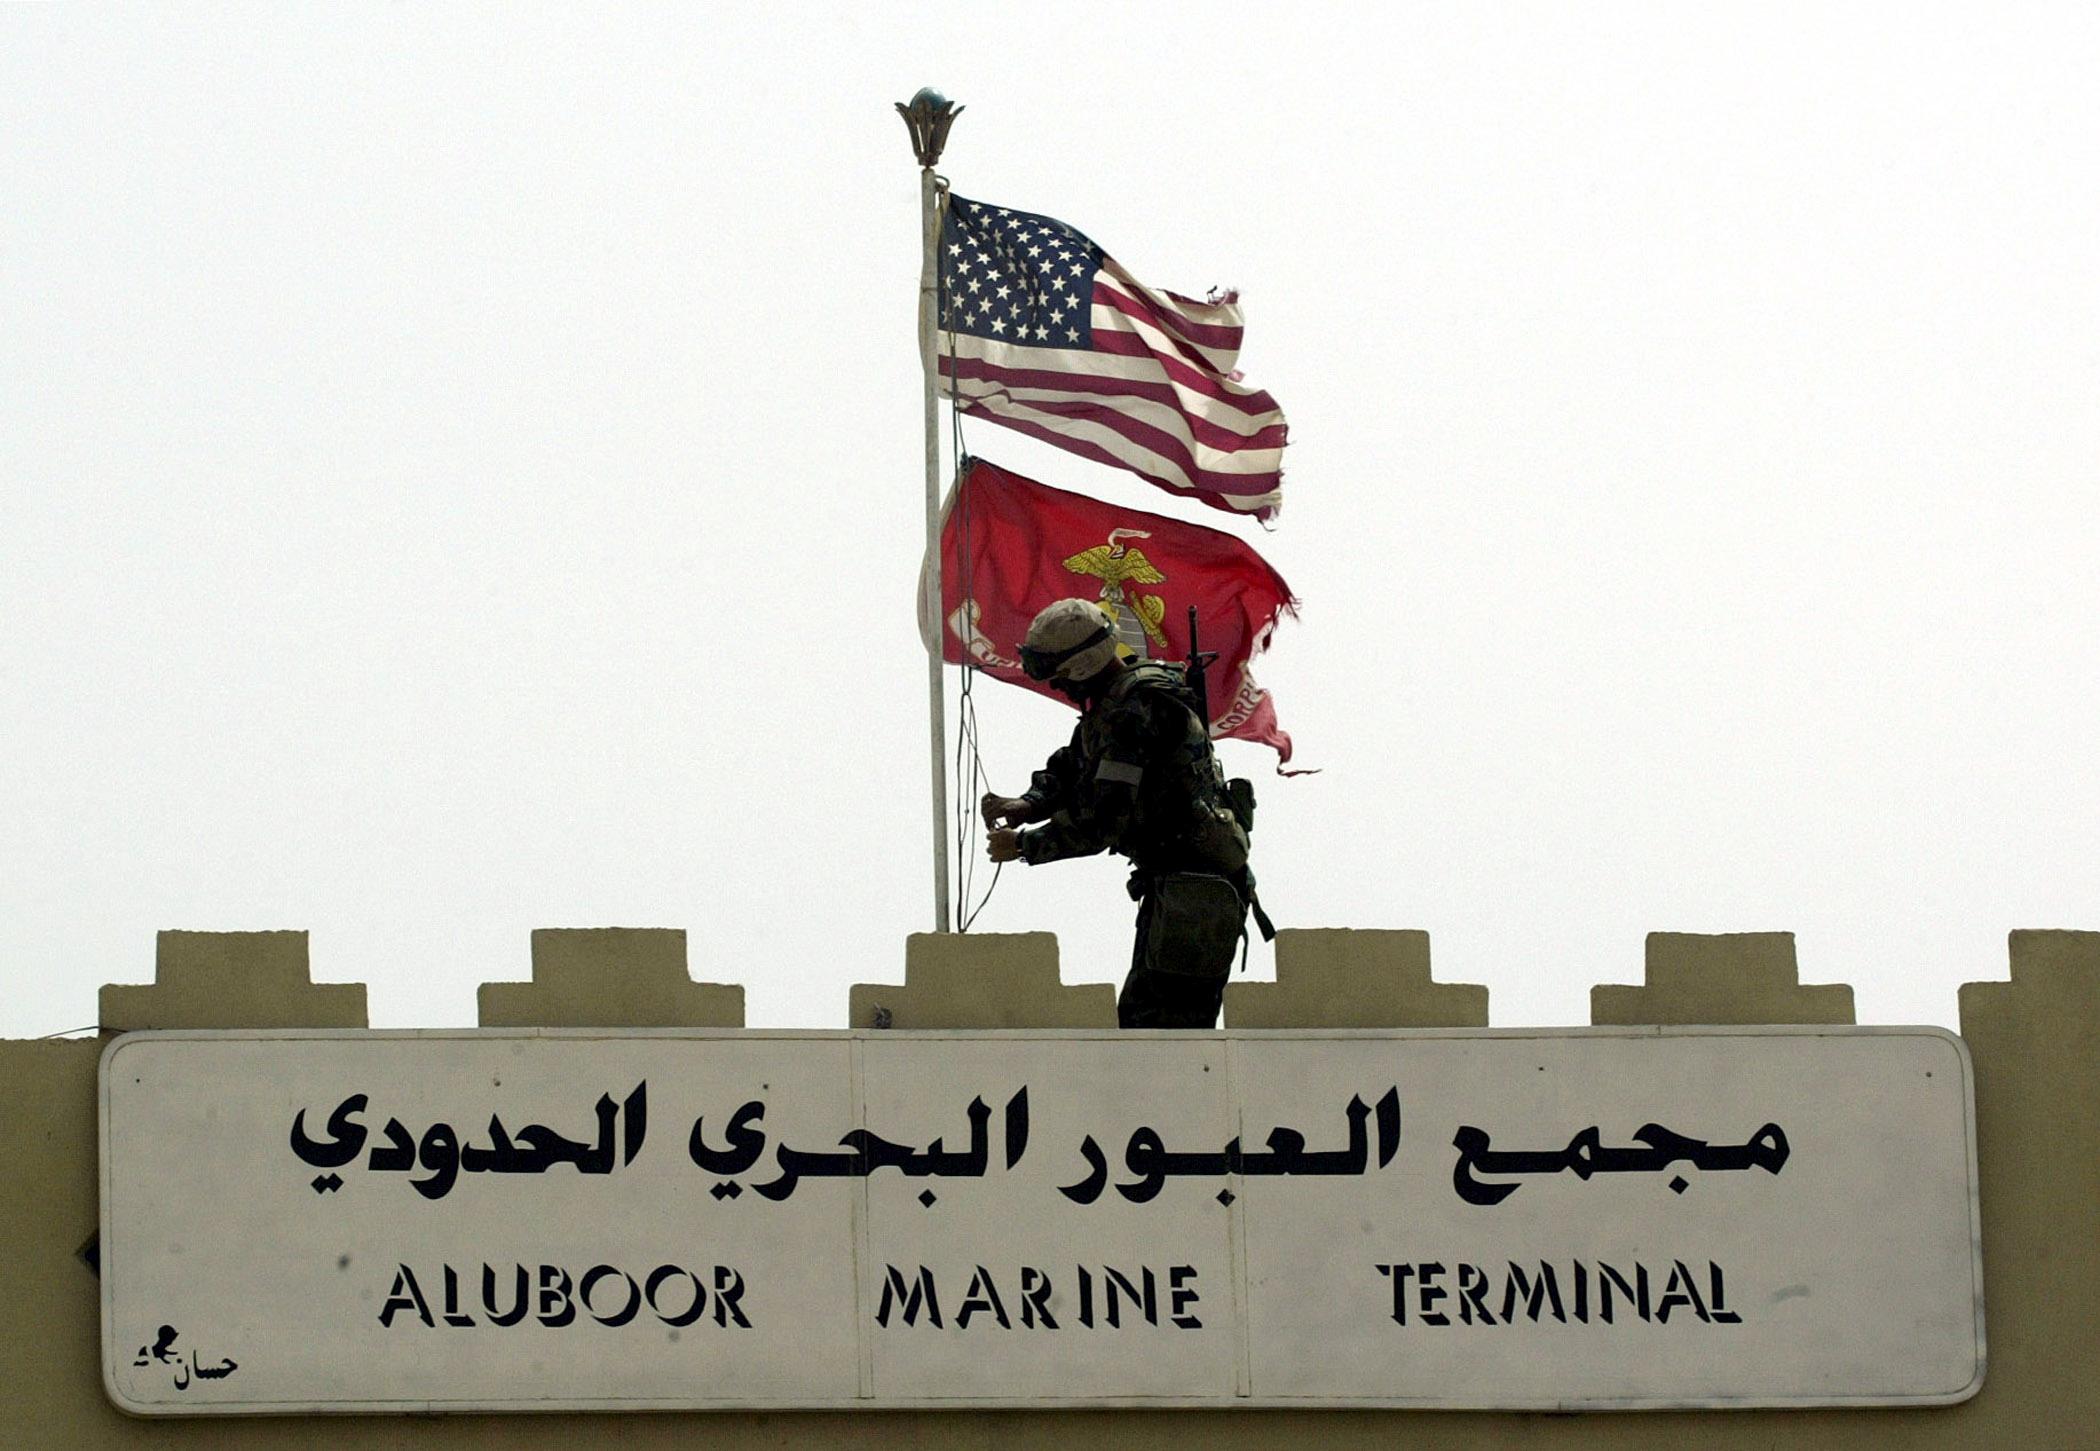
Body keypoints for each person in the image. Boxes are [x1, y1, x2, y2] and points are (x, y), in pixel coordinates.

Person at [982, 598, 1263, 1029]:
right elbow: (1077, 763)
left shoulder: (1136, 712)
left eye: (1060, 677)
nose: (1060, 688)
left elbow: (1102, 821)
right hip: (1177, 885)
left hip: (1196, 894)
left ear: (1081, 666)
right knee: (1145, 1027)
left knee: (1163, 1030)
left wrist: (1024, 845)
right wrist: (1028, 804)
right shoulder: (1116, 703)